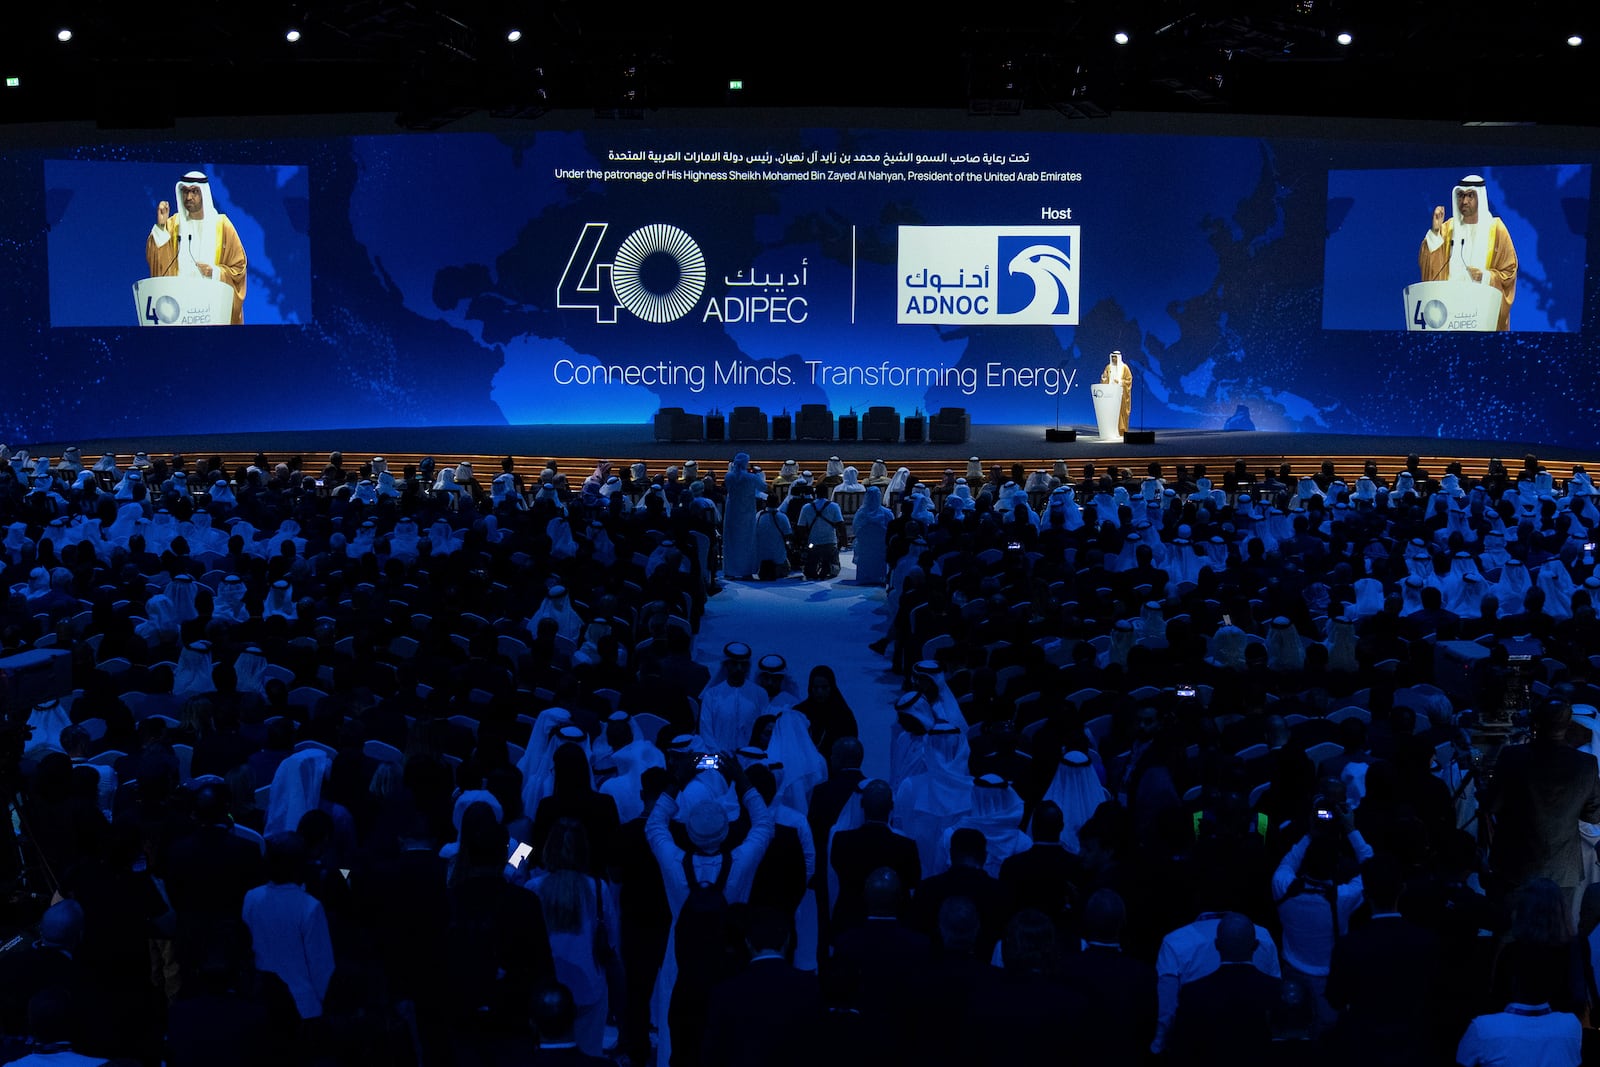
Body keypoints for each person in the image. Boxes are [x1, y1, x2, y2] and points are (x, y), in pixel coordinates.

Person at [145, 170, 249, 324]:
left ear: (204, 193)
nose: (189, 197)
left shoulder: (222, 225)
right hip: (179, 312)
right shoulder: (173, 225)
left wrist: (214, 272)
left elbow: (239, 269)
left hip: (212, 313)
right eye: (185, 192)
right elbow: (156, 262)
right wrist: (160, 226)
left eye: (194, 192)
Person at [1418, 173, 1519, 331]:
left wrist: (1485, 277)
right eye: (1461, 196)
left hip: (1481, 316)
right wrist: (1435, 232)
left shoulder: (1496, 229)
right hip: (1449, 317)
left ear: (1480, 197)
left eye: (1470, 196)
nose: (1464, 201)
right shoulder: (1447, 229)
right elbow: (1429, 269)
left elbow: (1509, 272)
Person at [721, 453, 765, 580]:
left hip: (732, 512)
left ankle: (730, 569)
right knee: (747, 541)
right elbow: (764, 487)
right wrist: (759, 476)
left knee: (732, 541)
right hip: (747, 512)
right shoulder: (751, 478)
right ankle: (746, 570)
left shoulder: (728, 476)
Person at [796, 483, 845, 581]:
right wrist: (844, 540)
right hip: (830, 543)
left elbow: (800, 528)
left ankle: (813, 568)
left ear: (815, 494)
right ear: (827, 494)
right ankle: (829, 566)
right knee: (835, 569)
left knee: (810, 568)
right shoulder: (834, 506)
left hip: (813, 543)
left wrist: (802, 543)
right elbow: (841, 525)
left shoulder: (806, 507)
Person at [1100, 349, 1133, 437]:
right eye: (1113, 357)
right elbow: (1105, 379)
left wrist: (1120, 382)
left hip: (1121, 395)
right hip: (1110, 395)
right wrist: (1104, 379)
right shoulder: (1108, 367)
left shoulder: (1124, 368)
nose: (1114, 359)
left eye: (1115, 357)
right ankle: (1110, 432)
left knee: (1121, 413)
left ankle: (1121, 431)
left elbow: (1129, 380)